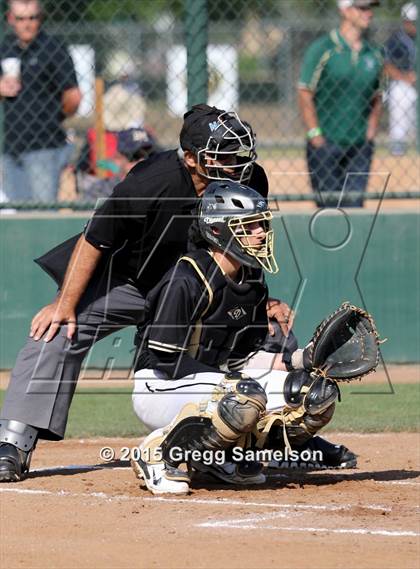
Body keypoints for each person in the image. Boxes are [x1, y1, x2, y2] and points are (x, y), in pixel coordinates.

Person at [0, 104, 294, 482]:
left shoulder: (250, 180)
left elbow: (244, 243)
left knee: (260, 334)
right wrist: (65, 304)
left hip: (197, 289)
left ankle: (246, 442)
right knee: (56, 329)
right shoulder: (151, 181)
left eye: (240, 154)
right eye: (223, 155)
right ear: (191, 158)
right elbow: (95, 239)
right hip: (129, 281)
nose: (236, 164)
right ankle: (13, 442)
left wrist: (255, 298)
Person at [131, 181, 355, 495]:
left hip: (209, 384)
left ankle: (218, 457)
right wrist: (229, 382)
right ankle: (156, 453)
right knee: (242, 395)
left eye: (262, 224)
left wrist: (300, 360)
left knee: (312, 395)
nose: (261, 232)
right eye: (249, 225)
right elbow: (165, 359)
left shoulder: (251, 279)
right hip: (160, 386)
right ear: (219, 230)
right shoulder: (187, 279)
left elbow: (245, 358)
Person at [298, 0, 384, 208]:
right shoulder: (323, 48)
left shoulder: (374, 53)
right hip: (326, 143)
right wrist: (314, 134)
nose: (369, 13)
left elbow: (378, 94)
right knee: (329, 210)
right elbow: (305, 91)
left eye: (370, 8)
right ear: (345, 10)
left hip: (359, 145)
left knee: (355, 208)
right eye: (362, 8)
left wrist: (371, 129)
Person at [0, 0, 81, 202]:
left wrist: (54, 117)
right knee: (15, 211)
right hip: (11, 144)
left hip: (44, 144)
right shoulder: (5, 48)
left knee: (40, 209)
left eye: (32, 18)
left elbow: (73, 96)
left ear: (40, 18)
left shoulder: (52, 48)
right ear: (11, 19)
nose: (26, 24)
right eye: (20, 18)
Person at [78, 127, 159, 201]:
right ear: (118, 159)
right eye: (135, 156)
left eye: (150, 156)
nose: (142, 161)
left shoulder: (161, 187)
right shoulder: (100, 191)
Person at [384, 2, 417, 156]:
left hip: (414, 86)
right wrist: (405, 77)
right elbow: (386, 65)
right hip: (401, 85)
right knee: (400, 116)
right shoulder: (396, 40)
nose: (412, 25)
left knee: (413, 123)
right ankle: (397, 150)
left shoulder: (416, 40)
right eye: (410, 22)